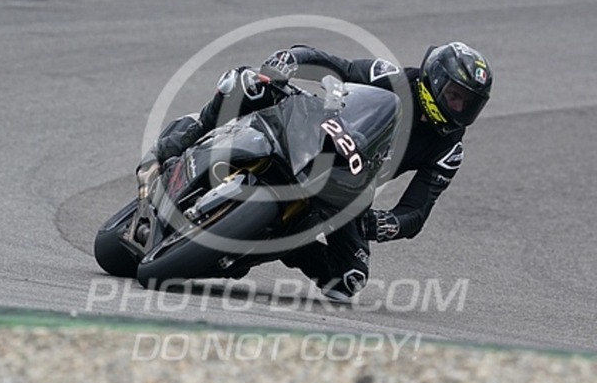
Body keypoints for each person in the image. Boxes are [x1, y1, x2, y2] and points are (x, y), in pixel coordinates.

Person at [137, 41, 493, 302]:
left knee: (347, 279)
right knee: (248, 84)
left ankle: (277, 241)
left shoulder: (450, 149)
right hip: (315, 131)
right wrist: (292, 60)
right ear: (435, 79)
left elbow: (416, 211)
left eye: (469, 104)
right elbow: (335, 65)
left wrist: (381, 225)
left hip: (349, 185)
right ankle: (172, 148)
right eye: (455, 95)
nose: (459, 108)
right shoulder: (391, 77)